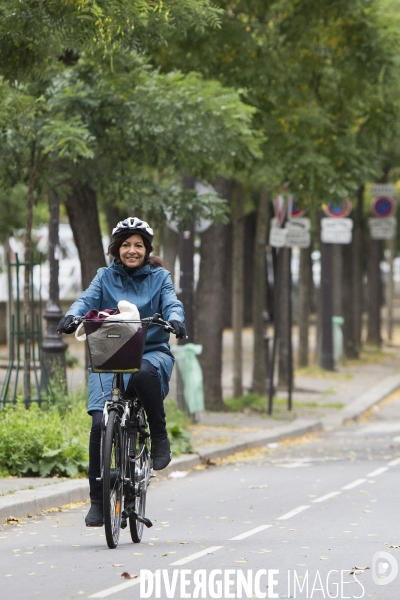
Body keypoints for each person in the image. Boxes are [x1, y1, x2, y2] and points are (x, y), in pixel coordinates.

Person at [57, 217, 186, 527]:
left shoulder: (160, 277)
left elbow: (172, 302)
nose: (132, 250)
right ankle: (99, 501)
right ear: (116, 249)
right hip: (108, 355)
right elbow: (86, 299)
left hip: (150, 352)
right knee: (101, 421)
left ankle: (158, 433)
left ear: (146, 250)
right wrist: (73, 315)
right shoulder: (105, 276)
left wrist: (176, 319)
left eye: (138, 245)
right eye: (126, 245)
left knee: (142, 373)